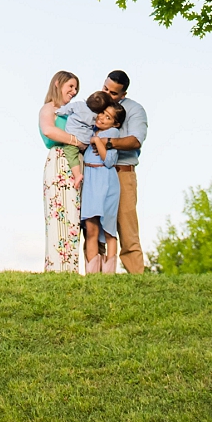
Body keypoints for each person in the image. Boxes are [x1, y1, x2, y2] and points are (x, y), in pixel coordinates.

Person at [98, 70, 148, 274]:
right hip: (98, 173)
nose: (108, 95)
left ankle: (137, 276)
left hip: (122, 172)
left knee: (127, 227)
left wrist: (107, 143)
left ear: (123, 95)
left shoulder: (135, 110)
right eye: (105, 89)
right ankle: (97, 276)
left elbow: (135, 140)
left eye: (114, 93)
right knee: (96, 224)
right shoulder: (95, 105)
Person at [37, 71, 86, 273]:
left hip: (76, 163)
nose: (73, 92)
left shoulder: (73, 112)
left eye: (76, 89)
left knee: (73, 216)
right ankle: (57, 268)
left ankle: (71, 268)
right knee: (57, 215)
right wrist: (75, 141)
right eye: (71, 87)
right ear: (58, 83)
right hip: (59, 161)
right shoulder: (49, 109)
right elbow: (49, 130)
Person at [75, 92, 128, 273]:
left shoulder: (112, 134)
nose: (102, 118)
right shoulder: (93, 128)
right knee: (90, 228)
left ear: (116, 123)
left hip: (105, 181)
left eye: (108, 117)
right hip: (90, 179)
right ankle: (92, 273)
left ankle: (108, 273)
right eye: (102, 114)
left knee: (108, 228)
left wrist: (98, 141)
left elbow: (109, 161)